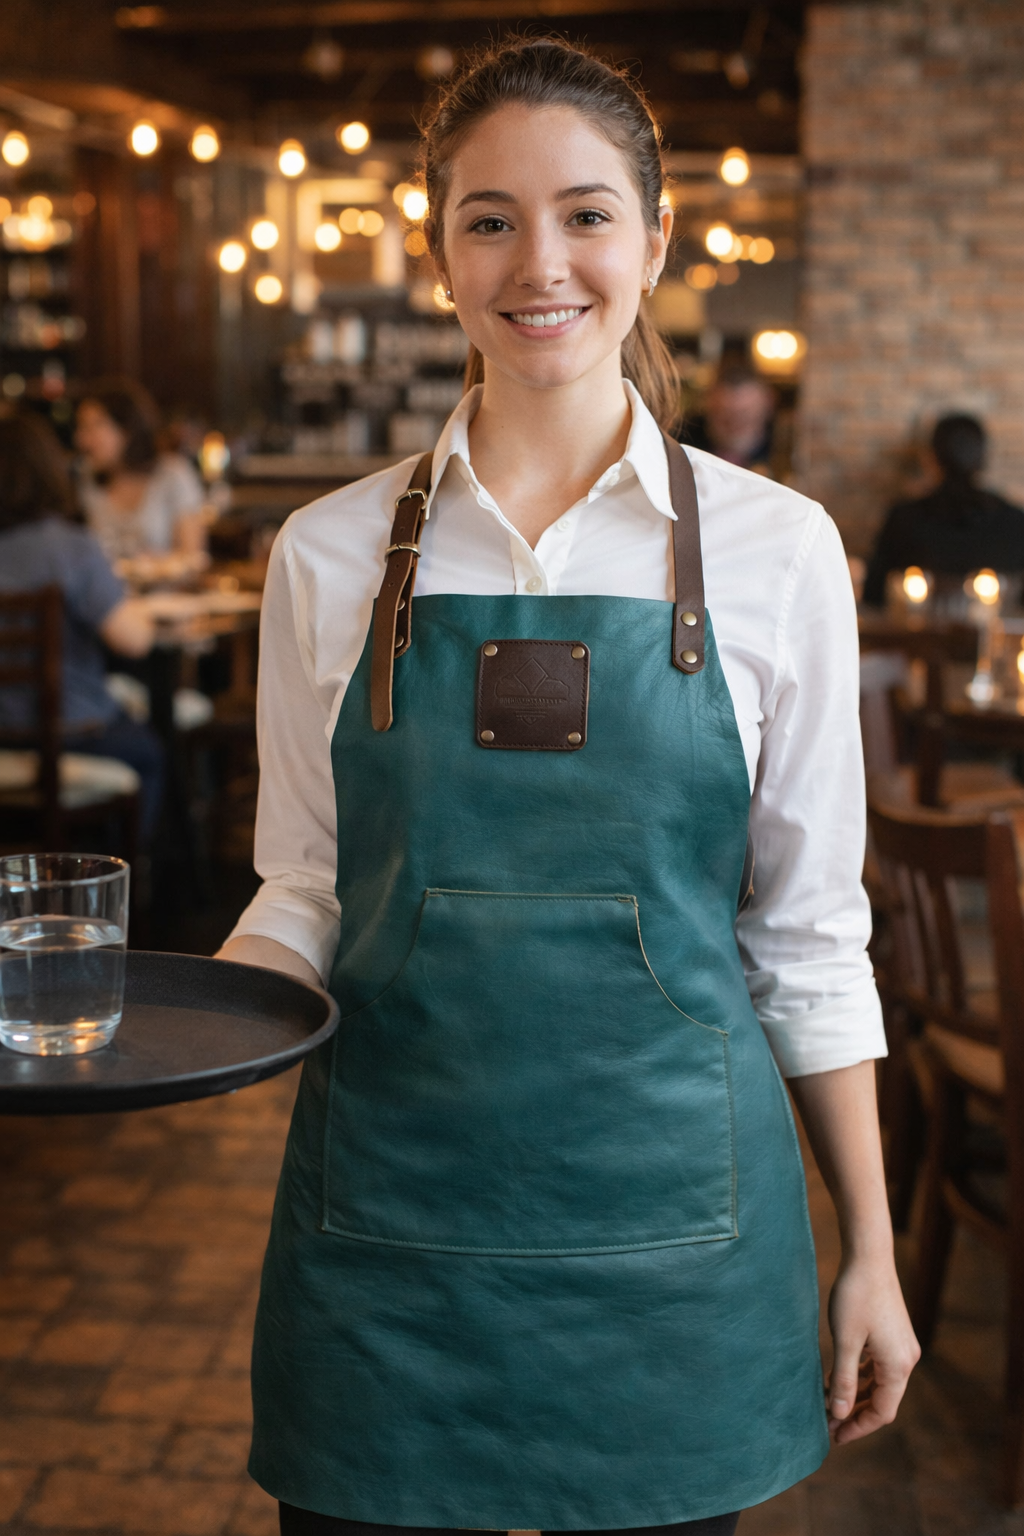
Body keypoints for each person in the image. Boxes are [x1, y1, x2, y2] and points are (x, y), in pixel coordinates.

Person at [218, 38, 918, 1536]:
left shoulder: (780, 550)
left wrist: (871, 1244)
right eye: (490, 218)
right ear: (439, 252)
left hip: (678, 1249)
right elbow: (305, 888)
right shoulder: (327, 556)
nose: (542, 261)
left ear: (654, 242)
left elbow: (807, 936)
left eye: (588, 214)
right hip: (386, 1247)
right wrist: (183, 1020)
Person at [0, 412, 164, 840]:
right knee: (149, 753)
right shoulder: (69, 547)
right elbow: (134, 641)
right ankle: (118, 885)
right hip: (70, 732)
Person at [863, 413, 1024, 606]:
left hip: (915, 635)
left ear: (930, 458)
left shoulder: (904, 519)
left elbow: (872, 597)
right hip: (1000, 636)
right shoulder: (1016, 521)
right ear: (983, 458)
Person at [75, 378, 207, 562]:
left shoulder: (173, 474)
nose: (82, 440)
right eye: (81, 428)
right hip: (109, 591)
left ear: (127, 429)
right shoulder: (87, 482)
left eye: (94, 427)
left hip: (168, 591)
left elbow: (193, 557)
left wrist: (152, 567)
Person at [684, 362, 776, 475]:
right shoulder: (682, 449)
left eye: (745, 414)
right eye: (724, 414)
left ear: (767, 407)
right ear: (708, 407)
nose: (735, 424)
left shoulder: (788, 451)